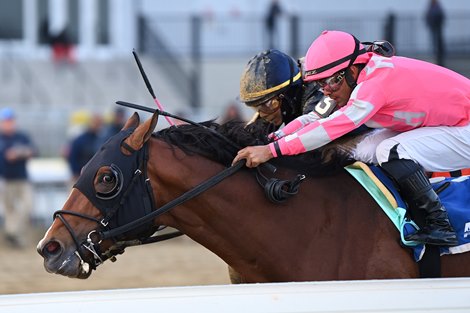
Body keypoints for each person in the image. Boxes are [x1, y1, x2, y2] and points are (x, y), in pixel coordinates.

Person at [233, 30, 470, 246]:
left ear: (352, 71)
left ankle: (440, 225)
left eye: (330, 81)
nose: (326, 90)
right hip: (449, 123)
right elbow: (315, 118)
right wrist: (277, 137)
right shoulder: (354, 76)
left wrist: (272, 151)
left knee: (391, 150)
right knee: (362, 152)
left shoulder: (374, 85)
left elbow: (328, 130)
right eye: (320, 84)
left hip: (464, 127)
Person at [240, 49, 327, 132]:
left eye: (270, 104)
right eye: (256, 107)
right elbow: (250, 137)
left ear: (290, 93)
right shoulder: (277, 107)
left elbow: (305, 140)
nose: (263, 114)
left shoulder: (318, 96)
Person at [0, 108, 36, 248]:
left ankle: (11, 231)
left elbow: (33, 150)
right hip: (5, 180)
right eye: (6, 121)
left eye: (10, 121)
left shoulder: (22, 137)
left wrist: (19, 153)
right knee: (9, 210)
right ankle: (15, 239)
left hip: (22, 179)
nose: (8, 124)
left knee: (27, 206)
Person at [67, 113, 104, 182]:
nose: (98, 126)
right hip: (81, 176)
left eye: (100, 124)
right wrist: (76, 173)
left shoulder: (102, 139)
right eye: (96, 123)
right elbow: (73, 157)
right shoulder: (80, 140)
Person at [426, 0, 445, 66]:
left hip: (436, 29)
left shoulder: (435, 8)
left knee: (438, 43)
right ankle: (437, 56)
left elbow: (440, 17)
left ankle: (439, 57)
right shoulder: (434, 8)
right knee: (435, 43)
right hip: (434, 28)